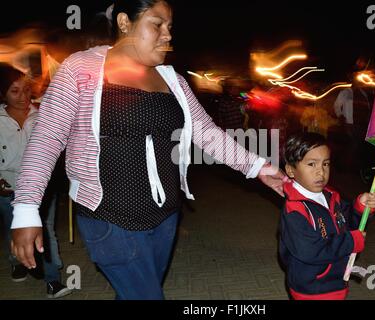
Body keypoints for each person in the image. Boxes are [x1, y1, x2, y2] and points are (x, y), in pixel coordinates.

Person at [10, 0, 286, 300]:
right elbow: (46, 138)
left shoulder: (172, 80)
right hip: (110, 218)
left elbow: (207, 135)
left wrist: (260, 168)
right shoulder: (81, 69)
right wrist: (26, 210)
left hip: (166, 217)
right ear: (125, 22)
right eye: (157, 24)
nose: (167, 35)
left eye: (170, 27)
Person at [279, 132, 375, 300]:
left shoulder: (331, 195)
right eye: (312, 164)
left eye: (325, 164)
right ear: (291, 170)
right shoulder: (295, 211)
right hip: (312, 287)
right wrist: (351, 242)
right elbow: (310, 250)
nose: (321, 172)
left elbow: (345, 222)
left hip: (336, 279)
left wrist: (359, 208)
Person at [0, 63, 72, 298]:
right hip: (7, 189)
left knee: (46, 230)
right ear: (2, 93)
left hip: (42, 189)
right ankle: (16, 260)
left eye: (26, 89)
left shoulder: (42, 115)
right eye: (14, 91)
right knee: (14, 231)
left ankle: (53, 280)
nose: (23, 96)